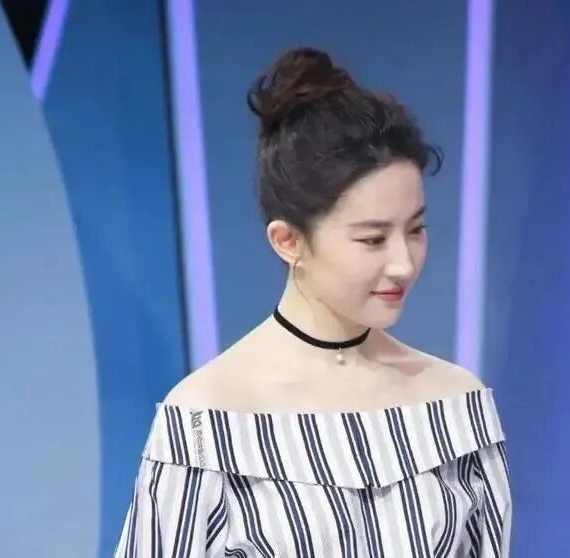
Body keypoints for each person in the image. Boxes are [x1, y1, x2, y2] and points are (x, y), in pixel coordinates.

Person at [114, 46, 511, 557]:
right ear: (288, 241)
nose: (403, 263)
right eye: (372, 239)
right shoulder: (206, 422)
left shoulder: (454, 406)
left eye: (416, 230)